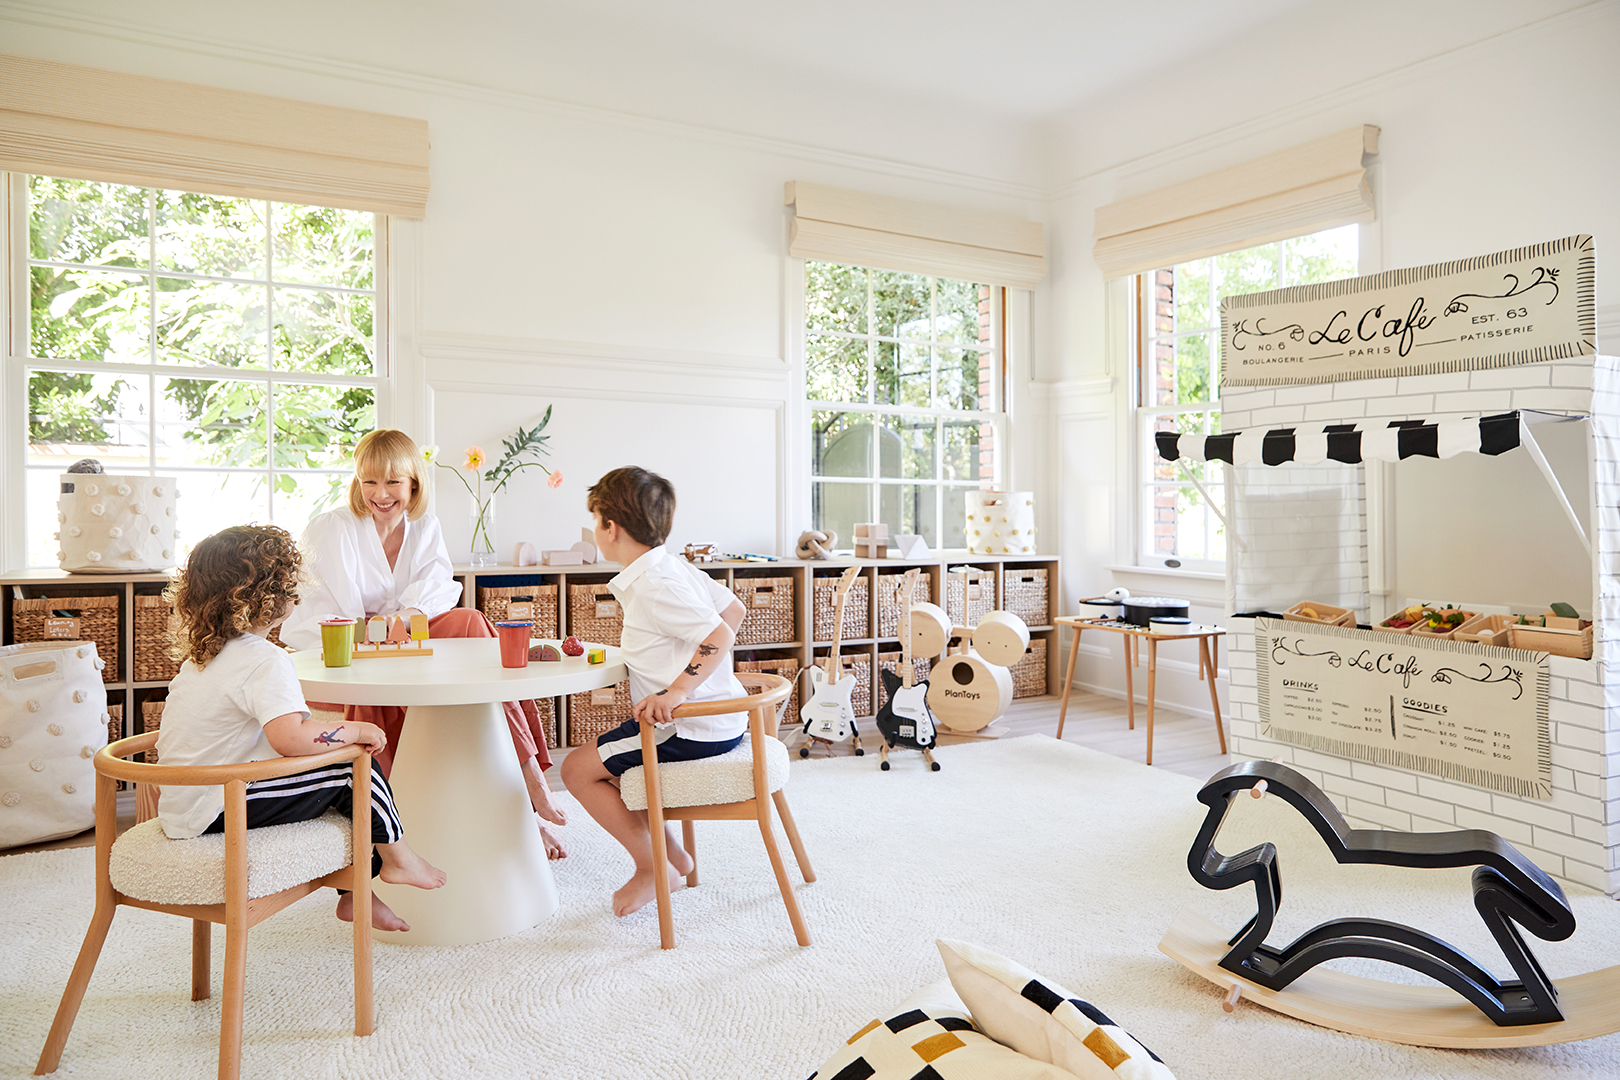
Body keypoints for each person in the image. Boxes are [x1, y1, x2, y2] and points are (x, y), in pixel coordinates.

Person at [280, 429, 568, 858]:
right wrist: (382, 627)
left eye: (393, 482)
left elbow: (435, 591)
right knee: (376, 681)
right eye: (369, 481)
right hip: (357, 646)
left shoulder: (424, 526)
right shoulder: (332, 528)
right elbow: (325, 612)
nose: (380, 494)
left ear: (414, 482)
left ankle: (528, 779)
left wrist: (402, 620)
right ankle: (394, 833)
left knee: (471, 620)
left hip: (414, 639)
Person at [155, 525, 446, 933]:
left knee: (334, 775)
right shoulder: (264, 660)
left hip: (186, 803)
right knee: (353, 771)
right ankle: (398, 859)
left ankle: (356, 894)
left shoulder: (204, 657)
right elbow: (289, 738)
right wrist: (356, 729)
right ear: (274, 596)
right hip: (219, 808)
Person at [560, 467, 749, 917]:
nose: (593, 529)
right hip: (721, 717)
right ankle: (675, 859)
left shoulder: (655, 585)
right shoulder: (668, 566)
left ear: (611, 528)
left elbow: (720, 635)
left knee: (577, 770)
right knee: (627, 768)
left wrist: (678, 690)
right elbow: (736, 609)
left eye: (594, 519)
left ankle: (652, 869)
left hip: (690, 726)